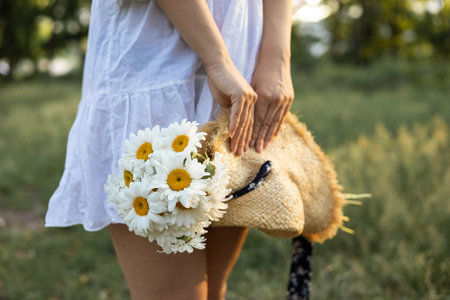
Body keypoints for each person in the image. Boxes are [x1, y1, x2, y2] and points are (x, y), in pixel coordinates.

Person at [45, 0, 294, 299]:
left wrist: (277, 57)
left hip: (241, 54)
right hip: (154, 56)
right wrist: (216, 60)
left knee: (213, 290)